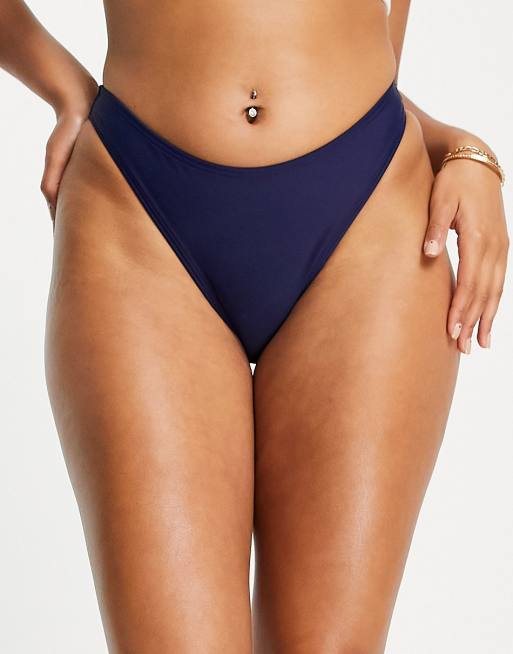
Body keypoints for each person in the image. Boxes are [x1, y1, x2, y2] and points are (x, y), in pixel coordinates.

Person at [0, 1, 508, 652]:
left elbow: (367, 64)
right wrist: (62, 87)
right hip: (137, 210)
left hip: (367, 218)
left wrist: (462, 149)